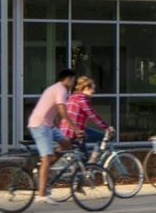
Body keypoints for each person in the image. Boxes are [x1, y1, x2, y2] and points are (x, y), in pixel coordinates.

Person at [27, 68, 77, 201]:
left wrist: (57, 125)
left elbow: (52, 110)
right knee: (47, 158)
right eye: (73, 80)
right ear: (68, 79)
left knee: (66, 144)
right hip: (40, 125)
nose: (73, 83)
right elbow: (62, 111)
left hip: (48, 125)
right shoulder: (61, 89)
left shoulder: (56, 88)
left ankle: (44, 168)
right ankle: (41, 194)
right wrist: (75, 128)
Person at [64, 75, 113, 165]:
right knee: (101, 137)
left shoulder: (73, 97)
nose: (94, 91)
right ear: (86, 88)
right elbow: (93, 115)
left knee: (82, 157)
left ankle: (86, 167)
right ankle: (92, 163)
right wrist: (106, 127)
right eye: (92, 89)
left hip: (67, 130)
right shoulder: (82, 99)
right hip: (75, 132)